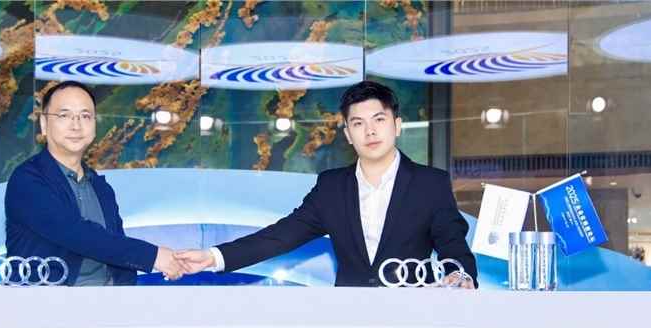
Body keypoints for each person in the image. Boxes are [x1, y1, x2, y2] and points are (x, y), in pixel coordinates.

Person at [175, 80, 478, 288]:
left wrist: (461, 277)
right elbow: (280, 236)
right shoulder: (332, 187)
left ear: (397, 125)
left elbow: (453, 245)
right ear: (347, 134)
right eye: (358, 123)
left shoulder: (430, 184)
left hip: (411, 319)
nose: (370, 131)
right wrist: (213, 256)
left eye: (379, 120)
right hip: (348, 321)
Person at [5, 80, 186, 285]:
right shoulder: (27, 179)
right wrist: (153, 256)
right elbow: (74, 233)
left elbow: (118, 254)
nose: (76, 125)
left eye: (85, 116)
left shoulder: (101, 188)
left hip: (109, 301)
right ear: (44, 124)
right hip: (46, 302)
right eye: (64, 115)